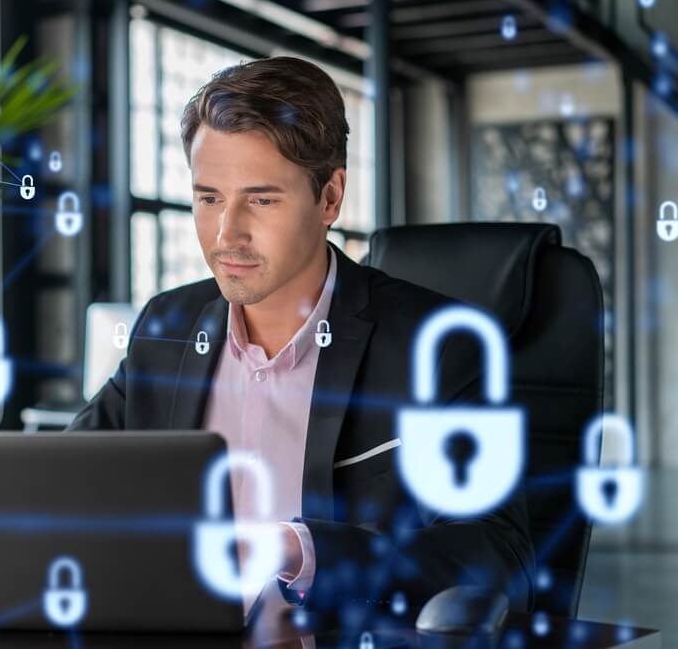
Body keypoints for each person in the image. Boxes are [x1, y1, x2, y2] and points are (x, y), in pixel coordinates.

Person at [69, 56, 534, 616]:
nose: (225, 234)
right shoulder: (166, 326)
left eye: (261, 200)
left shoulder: (437, 347)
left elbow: (499, 557)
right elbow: (62, 478)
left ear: (330, 198)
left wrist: (304, 551)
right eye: (208, 197)